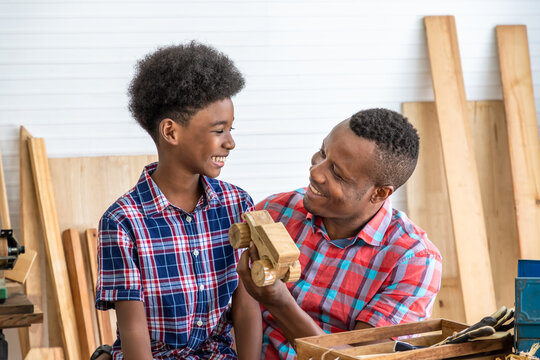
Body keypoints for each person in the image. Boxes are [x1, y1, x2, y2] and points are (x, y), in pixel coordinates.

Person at [93, 41, 261, 360]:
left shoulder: (238, 204)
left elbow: (247, 307)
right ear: (171, 132)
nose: (231, 142)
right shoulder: (122, 222)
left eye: (231, 129)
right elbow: (133, 331)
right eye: (218, 130)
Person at [237, 108, 443, 360]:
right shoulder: (275, 211)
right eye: (323, 153)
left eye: (337, 173)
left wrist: (280, 302)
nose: (316, 172)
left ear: (379, 194)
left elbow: (364, 358)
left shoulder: (414, 261)